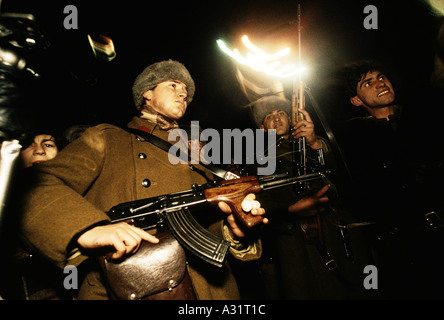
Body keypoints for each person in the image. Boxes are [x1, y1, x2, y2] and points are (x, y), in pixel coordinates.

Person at [18, 60, 266, 300]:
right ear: (147, 93)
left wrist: (233, 231)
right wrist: (86, 228)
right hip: (129, 284)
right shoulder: (108, 138)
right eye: (173, 85)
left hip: (209, 289)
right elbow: (36, 185)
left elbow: (202, 226)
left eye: (186, 91)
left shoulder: (196, 155)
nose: (183, 94)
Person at [231, 95, 374, 300]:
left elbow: (346, 179)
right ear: (262, 128)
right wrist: (289, 211)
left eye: (281, 113)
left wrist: (315, 143)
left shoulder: (314, 142)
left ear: (290, 118)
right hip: (294, 243)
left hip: (338, 232)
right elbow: (256, 204)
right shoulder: (254, 159)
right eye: (269, 116)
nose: (277, 118)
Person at [335, 60, 444, 299]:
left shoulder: (426, 117)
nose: (379, 83)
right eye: (368, 82)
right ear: (357, 100)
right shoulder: (355, 139)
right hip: (401, 250)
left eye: (381, 76)